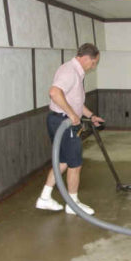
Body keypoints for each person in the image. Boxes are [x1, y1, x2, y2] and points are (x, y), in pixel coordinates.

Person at [35, 43, 104, 215]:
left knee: (63, 161)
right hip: (63, 123)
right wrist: (72, 115)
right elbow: (54, 92)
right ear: (86, 58)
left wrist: (90, 115)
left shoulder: (75, 72)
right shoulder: (70, 72)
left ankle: (44, 198)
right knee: (75, 164)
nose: (93, 66)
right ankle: (73, 204)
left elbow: (76, 102)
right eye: (94, 62)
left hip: (59, 120)